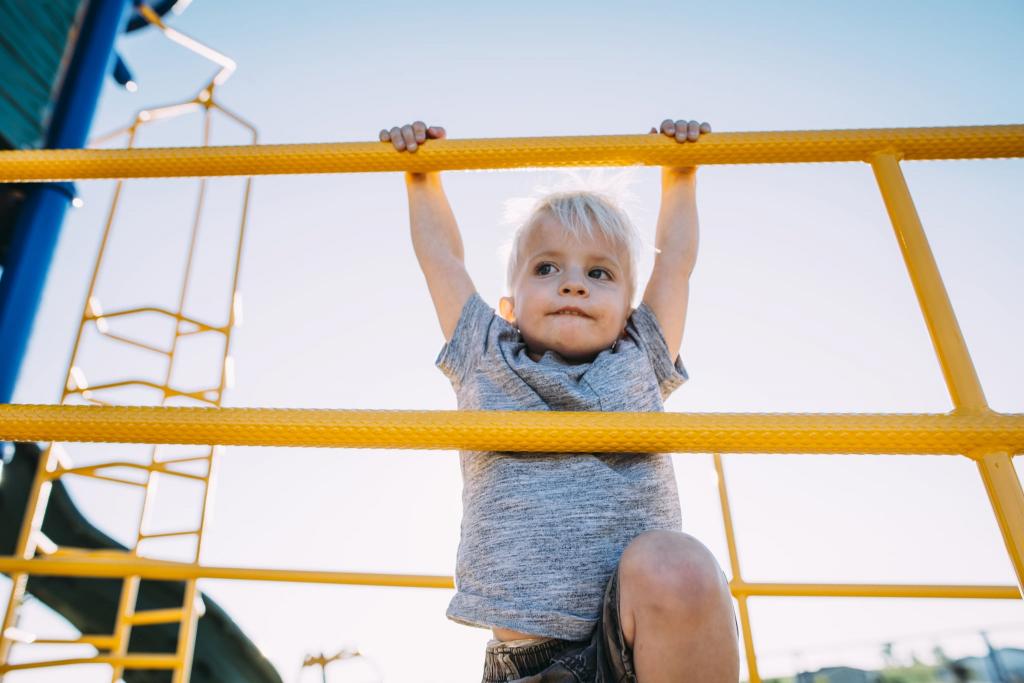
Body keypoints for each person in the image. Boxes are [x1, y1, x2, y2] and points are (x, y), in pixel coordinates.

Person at [380, 119, 740, 682]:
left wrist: (681, 174)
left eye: (599, 273)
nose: (573, 284)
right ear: (509, 306)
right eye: (547, 268)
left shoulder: (641, 354)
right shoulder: (485, 352)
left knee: (680, 560)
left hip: (644, 645)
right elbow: (442, 260)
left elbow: (675, 261)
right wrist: (421, 174)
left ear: (627, 310)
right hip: (533, 663)